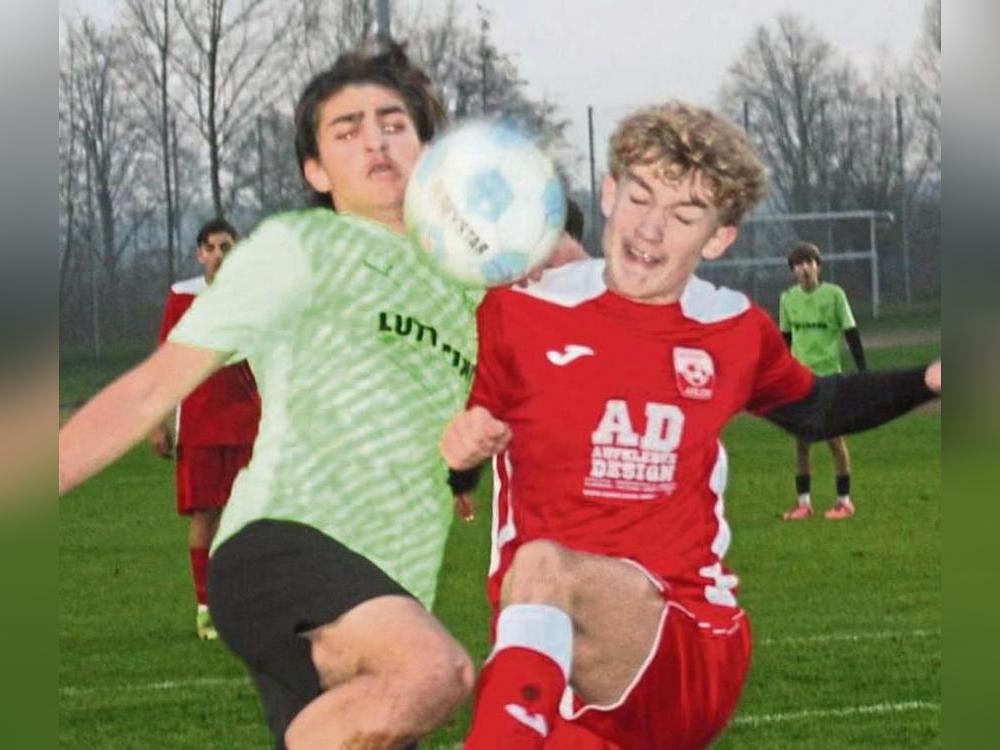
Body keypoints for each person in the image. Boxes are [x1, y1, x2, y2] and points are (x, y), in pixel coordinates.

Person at [440, 101, 941, 750]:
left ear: (718, 238)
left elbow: (817, 408)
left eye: (683, 216)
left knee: (542, 568)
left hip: (686, 639)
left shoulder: (731, 329)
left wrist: (930, 378)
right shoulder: (518, 313)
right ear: (612, 194)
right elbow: (469, 452)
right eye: (640, 199)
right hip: (559, 664)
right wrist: (462, 453)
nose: (650, 231)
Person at [62, 44, 492, 750]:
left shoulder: (472, 284)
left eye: (392, 123)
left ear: (425, 148)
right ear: (316, 171)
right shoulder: (300, 248)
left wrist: (467, 462)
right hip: (283, 544)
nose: (375, 141)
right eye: (346, 130)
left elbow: (481, 407)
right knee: (434, 672)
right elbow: (150, 390)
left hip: (388, 585)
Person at [149, 218, 261, 640]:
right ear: (199, 254)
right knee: (205, 515)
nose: (218, 255)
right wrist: (159, 421)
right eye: (211, 247)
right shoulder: (183, 297)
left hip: (248, 424)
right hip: (199, 424)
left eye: (226, 247)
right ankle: (205, 609)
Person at [778, 242, 866, 520]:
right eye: (798, 264)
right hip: (799, 380)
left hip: (829, 377)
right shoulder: (787, 299)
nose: (804, 268)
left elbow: (851, 334)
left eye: (808, 262)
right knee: (801, 443)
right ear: (792, 271)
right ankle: (803, 503)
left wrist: (863, 371)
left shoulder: (834, 295)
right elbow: (785, 340)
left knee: (833, 441)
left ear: (819, 265)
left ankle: (844, 502)